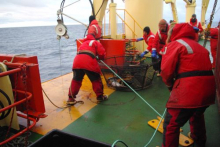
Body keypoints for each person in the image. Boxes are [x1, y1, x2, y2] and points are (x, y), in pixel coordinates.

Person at [160, 23, 216, 147]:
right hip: (209, 91)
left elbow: (166, 71)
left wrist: (170, 86)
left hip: (189, 91)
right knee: (197, 113)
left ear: (172, 33)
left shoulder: (175, 44)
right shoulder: (200, 47)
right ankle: (200, 141)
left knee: (171, 124)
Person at [67, 34, 108, 105]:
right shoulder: (95, 42)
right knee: (96, 79)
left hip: (77, 61)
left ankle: (71, 98)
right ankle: (100, 97)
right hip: (88, 61)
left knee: (76, 80)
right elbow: (101, 53)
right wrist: (101, 58)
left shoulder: (83, 43)